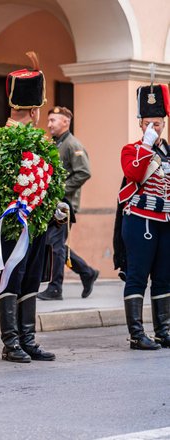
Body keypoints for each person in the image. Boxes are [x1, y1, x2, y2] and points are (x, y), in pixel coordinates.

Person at [0, 56, 57, 363]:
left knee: (31, 277)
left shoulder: (24, 140)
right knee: (12, 277)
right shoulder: (5, 141)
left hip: (34, 220)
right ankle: (10, 341)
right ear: (35, 110)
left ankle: (27, 339)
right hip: (12, 222)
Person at [118, 80, 170, 350]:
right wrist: (147, 145)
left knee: (164, 276)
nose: (153, 128)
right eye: (148, 123)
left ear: (164, 123)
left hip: (165, 222)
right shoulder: (131, 150)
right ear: (141, 124)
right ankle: (137, 334)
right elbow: (135, 173)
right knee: (138, 275)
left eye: (158, 124)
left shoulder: (169, 154)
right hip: (140, 219)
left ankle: (163, 330)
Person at [38, 106, 99, 300]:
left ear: (66, 122)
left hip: (64, 205)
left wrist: (61, 190)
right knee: (54, 244)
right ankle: (87, 272)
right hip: (54, 203)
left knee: (55, 245)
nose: (49, 124)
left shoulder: (73, 144)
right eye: (49, 121)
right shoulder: (55, 144)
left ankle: (56, 288)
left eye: (53, 120)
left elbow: (84, 172)